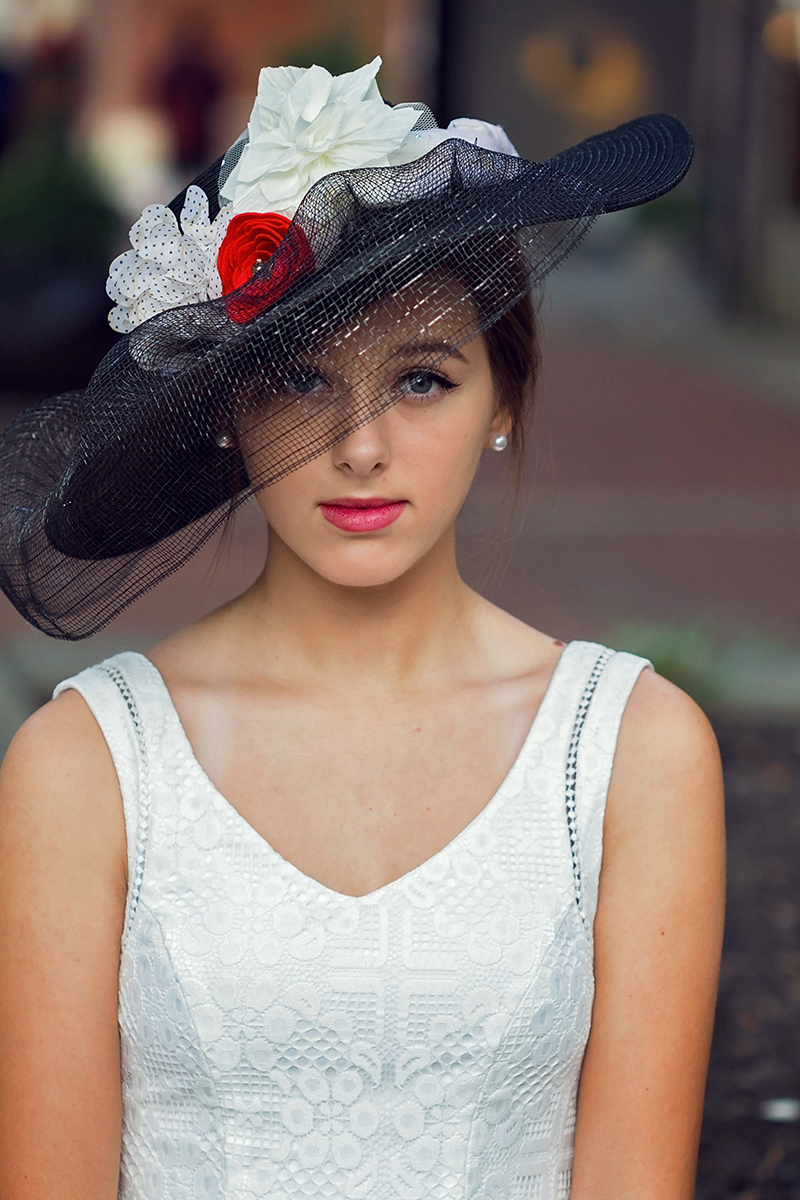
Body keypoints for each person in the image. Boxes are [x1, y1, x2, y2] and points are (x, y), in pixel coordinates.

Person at [0, 57, 724, 1200]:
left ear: (504, 403)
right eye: (298, 380)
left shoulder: (631, 752)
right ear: (228, 411)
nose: (360, 446)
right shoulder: (86, 765)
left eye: (423, 379)